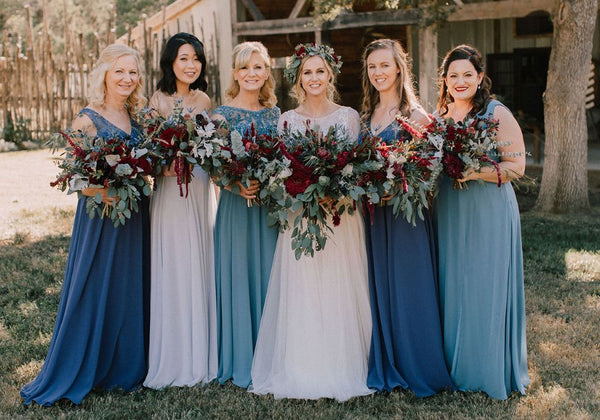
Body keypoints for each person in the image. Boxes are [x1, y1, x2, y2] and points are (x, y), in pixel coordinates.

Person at [21, 44, 150, 406]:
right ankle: (80, 364)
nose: (127, 78)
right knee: (93, 287)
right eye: (119, 71)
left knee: (129, 286)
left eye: (133, 72)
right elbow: (72, 179)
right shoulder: (87, 120)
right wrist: (102, 189)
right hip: (100, 219)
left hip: (135, 215)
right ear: (105, 74)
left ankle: (126, 367)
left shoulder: (139, 118)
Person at [250, 43, 372, 402]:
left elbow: (359, 169)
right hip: (300, 216)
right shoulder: (287, 120)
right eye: (307, 72)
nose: (314, 78)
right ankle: (304, 367)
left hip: (341, 215)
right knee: (303, 288)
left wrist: (338, 192)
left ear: (331, 75)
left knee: (339, 285)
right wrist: (304, 192)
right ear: (297, 78)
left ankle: (344, 365)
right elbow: (283, 172)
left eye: (320, 71)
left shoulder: (349, 117)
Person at [433, 44, 529, 400]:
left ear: (480, 78)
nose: (460, 81)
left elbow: (516, 167)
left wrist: (476, 171)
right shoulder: (441, 114)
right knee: (454, 284)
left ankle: (487, 369)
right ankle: (456, 366)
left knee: (485, 285)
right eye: (453, 75)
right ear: (444, 79)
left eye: (467, 75)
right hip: (450, 210)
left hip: (487, 208)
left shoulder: (494, 112)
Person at [360, 38, 453, 396]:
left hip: (407, 216)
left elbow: (430, 172)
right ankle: (391, 361)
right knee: (382, 287)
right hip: (376, 216)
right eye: (372, 67)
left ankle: (421, 366)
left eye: (384, 65)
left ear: (399, 68)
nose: (378, 72)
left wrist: (399, 187)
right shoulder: (367, 117)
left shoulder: (416, 117)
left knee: (411, 287)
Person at [143, 33, 217, 389]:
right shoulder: (156, 101)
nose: (191, 65)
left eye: (196, 59)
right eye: (184, 58)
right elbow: (146, 154)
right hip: (171, 189)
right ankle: (173, 354)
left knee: (199, 257)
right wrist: (162, 166)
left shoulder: (204, 99)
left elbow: (212, 148)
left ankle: (201, 351)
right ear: (170, 61)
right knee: (174, 261)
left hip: (199, 185)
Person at [212, 41, 280, 388]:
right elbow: (211, 168)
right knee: (239, 274)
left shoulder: (275, 114)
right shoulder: (221, 115)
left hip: (268, 208)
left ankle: (271, 354)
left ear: (267, 72)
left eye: (258, 67)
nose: (252, 74)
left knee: (270, 274)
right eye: (245, 68)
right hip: (237, 207)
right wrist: (233, 183)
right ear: (235, 74)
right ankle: (240, 355)